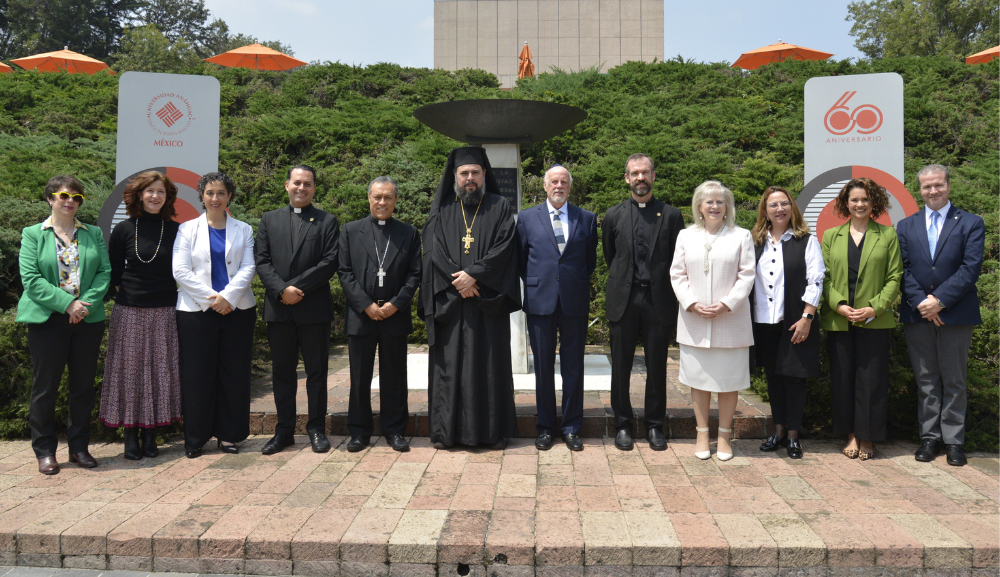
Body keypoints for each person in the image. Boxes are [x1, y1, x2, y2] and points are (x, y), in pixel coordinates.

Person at [419, 146, 521, 449]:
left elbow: (505, 246)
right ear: (454, 177)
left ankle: (490, 433)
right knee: (449, 370)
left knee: (488, 368)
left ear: (484, 174)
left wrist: (474, 274)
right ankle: (446, 433)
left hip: (485, 302)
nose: (470, 179)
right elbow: (433, 250)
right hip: (452, 304)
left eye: (475, 173)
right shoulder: (442, 211)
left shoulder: (500, 206)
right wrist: (459, 280)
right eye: (464, 173)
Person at [17, 176, 111, 475]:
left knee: (82, 386)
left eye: (76, 197)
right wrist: (66, 304)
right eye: (63, 195)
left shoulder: (93, 233)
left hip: (87, 318)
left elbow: (104, 273)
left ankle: (79, 448)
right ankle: (44, 451)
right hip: (47, 320)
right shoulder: (34, 234)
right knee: (46, 387)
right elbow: (31, 280)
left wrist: (82, 306)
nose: (70, 201)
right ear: (50, 198)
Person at [897, 165, 984, 467]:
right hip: (917, 313)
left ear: (948, 185)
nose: (933, 191)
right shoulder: (906, 226)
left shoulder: (971, 223)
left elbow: (970, 268)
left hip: (956, 313)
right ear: (919, 190)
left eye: (938, 185)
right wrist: (923, 302)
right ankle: (930, 437)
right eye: (926, 187)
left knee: (954, 378)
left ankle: (954, 441)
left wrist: (940, 301)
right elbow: (903, 269)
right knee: (926, 379)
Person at [255, 165, 340, 455]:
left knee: (316, 372)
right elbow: (262, 261)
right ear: (286, 186)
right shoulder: (269, 220)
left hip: (314, 309)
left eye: (307, 184)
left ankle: (316, 429)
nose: (301, 188)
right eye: (296, 183)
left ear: (314, 188)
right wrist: (281, 291)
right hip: (279, 311)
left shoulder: (327, 221)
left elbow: (329, 262)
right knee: (282, 373)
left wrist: (295, 289)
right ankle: (284, 431)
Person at [602, 153, 684, 451]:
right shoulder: (613, 215)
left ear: (653, 176)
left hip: (658, 300)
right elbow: (611, 256)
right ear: (626, 178)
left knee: (657, 366)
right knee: (620, 366)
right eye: (634, 173)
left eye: (645, 172)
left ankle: (653, 425)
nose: (640, 178)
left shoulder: (672, 215)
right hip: (623, 299)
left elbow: (678, 258)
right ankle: (622, 425)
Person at [172, 172, 257, 458]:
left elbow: (248, 268)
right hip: (197, 312)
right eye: (210, 193)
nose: (215, 198)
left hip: (237, 311)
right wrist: (213, 300)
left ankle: (229, 435)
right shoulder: (187, 229)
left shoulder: (243, 229)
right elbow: (180, 271)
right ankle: (196, 438)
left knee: (233, 374)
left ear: (229, 196)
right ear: (202, 196)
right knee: (197, 376)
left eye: (221, 193)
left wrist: (228, 297)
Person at [101, 171, 183, 460]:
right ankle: (130, 436)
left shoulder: (176, 230)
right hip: (130, 312)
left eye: (161, 192)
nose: (155, 196)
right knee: (131, 374)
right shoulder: (123, 229)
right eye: (149, 191)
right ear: (138, 195)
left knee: (160, 373)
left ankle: (151, 436)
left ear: (168, 197)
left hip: (165, 311)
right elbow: (113, 272)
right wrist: (133, 293)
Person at [670, 181, 755, 461]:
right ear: (699, 207)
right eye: (709, 202)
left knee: (729, 381)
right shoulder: (685, 235)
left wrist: (726, 304)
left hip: (730, 321)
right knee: (699, 380)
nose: (715, 206)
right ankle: (703, 433)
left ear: (728, 206)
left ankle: (724, 436)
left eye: (720, 202)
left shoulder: (740, 236)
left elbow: (747, 275)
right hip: (695, 320)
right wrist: (691, 303)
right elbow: (677, 274)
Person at [516, 165, 598, 452]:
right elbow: (520, 260)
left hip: (574, 301)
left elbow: (590, 261)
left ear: (570, 186)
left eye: (564, 181)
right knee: (543, 367)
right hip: (540, 302)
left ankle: (572, 428)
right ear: (545, 185)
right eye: (554, 181)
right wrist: (540, 283)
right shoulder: (527, 218)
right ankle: (546, 427)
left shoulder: (586, 219)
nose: (559, 185)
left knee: (574, 367)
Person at [821, 177, 903, 461]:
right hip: (839, 319)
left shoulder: (887, 235)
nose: (859, 204)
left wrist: (875, 307)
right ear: (846, 203)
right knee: (843, 379)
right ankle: (851, 435)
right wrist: (839, 305)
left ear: (874, 203)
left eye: (865, 199)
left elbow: (895, 277)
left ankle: (868, 437)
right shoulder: (832, 236)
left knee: (872, 381)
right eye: (854, 199)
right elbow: (824, 278)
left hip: (874, 320)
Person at [337, 176, 421, 453]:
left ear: (395, 201)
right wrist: (365, 305)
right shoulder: (350, 230)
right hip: (362, 315)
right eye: (377, 197)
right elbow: (345, 272)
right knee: (360, 376)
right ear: (369, 199)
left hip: (394, 314)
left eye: (388, 197)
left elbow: (414, 273)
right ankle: (359, 432)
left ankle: (395, 430)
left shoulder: (408, 233)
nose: (382, 202)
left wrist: (395, 304)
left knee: (394, 375)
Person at [749, 186, 825, 460]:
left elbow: (815, 281)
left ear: (792, 207)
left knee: (794, 379)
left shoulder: (806, 240)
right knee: (773, 378)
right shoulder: (755, 242)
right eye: (773, 205)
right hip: (763, 322)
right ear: (765, 211)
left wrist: (807, 318)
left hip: (795, 321)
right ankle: (778, 431)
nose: (779, 209)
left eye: (784, 203)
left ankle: (793, 435)